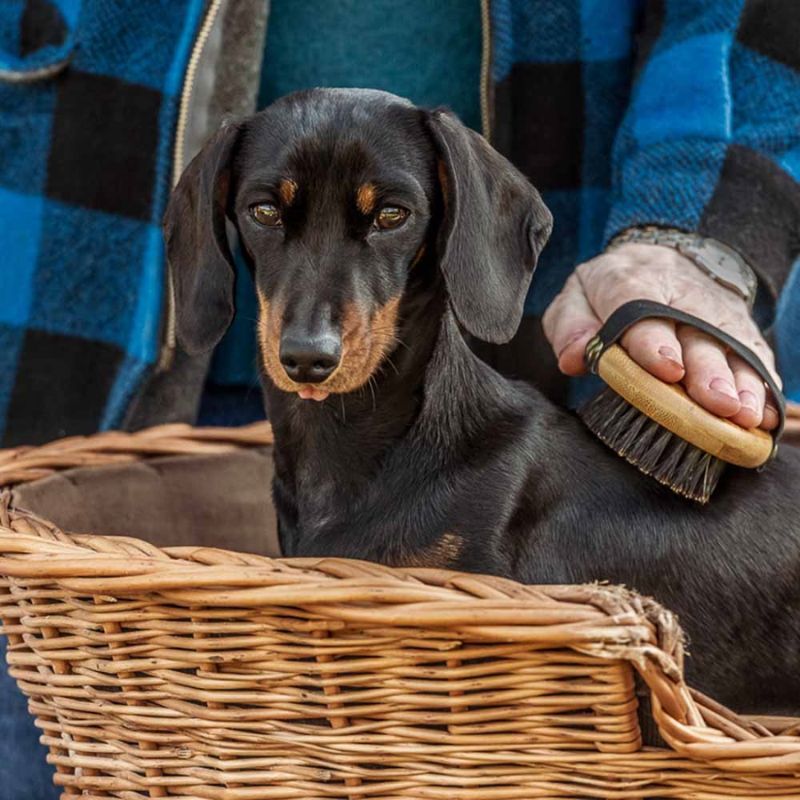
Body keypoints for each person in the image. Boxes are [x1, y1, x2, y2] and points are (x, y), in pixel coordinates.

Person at [0, 1, 797, 796]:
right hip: (89, 360)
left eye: (388, 218)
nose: (311, 334)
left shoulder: (485, 501)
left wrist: (700, 232)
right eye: (269, 215)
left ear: (446, 224)